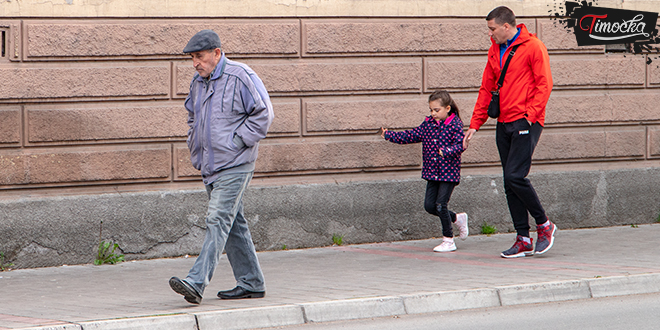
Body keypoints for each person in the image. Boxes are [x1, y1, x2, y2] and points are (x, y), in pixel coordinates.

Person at [169, 29, 274, 304]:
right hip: (210, 166)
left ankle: (195, 282)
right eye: (192, 58)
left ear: (217, 53)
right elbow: (193, 117)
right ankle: (252, 282)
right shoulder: (197, 82)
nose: (195, 63)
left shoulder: (241, 76)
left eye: (200, 57)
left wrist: (237, 141)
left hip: (237, 164)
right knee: (233, 224)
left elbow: (264, 113)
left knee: (217, 219)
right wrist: (195, 145)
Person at [463, 6, 556, 258]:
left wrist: (529, 117)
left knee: (516, 176)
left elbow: (544, 84)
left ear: (506, 26)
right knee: (509, 181)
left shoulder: (534, 47)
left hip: (526, 121)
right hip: (503, 123)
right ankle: (523, 238)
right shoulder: (495, 50)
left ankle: (544, 225)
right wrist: (475, 123)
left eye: (492, 29)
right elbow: (486, 89)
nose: (490, 34)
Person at [381, 90, 469, 252]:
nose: (433, 113)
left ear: (447, 108)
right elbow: (411, 135)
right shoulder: (428, 124)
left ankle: (448, 240)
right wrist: (389, 135)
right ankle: (457, 218)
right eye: (431, 110)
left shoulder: (455, 124)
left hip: (448, 172)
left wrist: (447, 151)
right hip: (432, 171)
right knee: (430, 206)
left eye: (437, 110)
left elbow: (461, 145)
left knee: (441, 205)